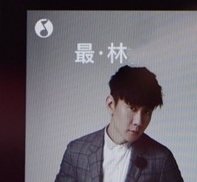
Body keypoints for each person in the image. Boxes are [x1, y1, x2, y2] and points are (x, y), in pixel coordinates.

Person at [54, 65, 184, 182]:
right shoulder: (76, 151)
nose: (138, 122)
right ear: (111, 104)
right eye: (132, 108)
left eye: (147, 112)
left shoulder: (161, 159)